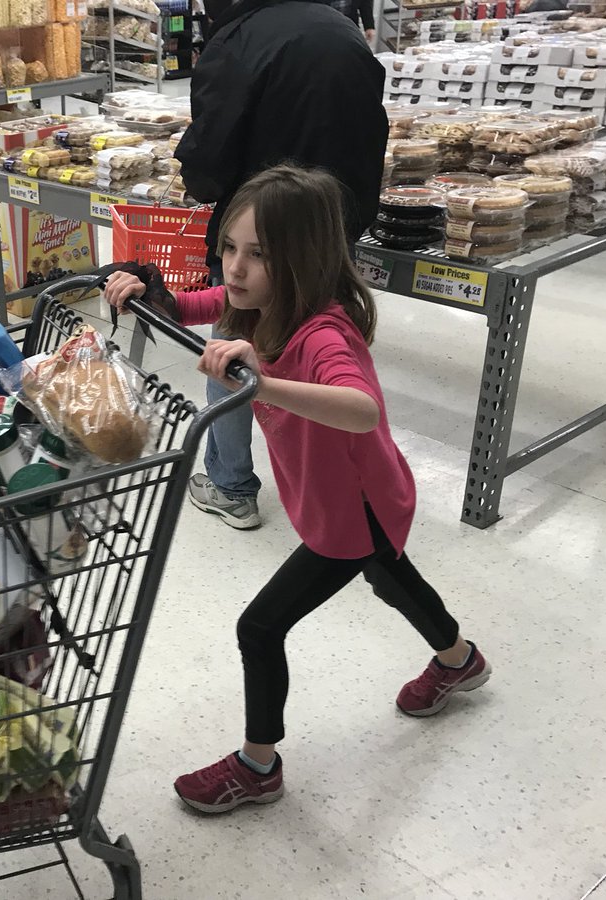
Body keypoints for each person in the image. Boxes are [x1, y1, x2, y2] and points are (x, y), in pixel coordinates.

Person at [103, 165, 491, 814]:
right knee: (391, 579)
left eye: (258, 255)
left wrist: (262, 383)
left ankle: (258, 766)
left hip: (355, 510)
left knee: (259, 626)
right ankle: (460, 659)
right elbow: (204, 305)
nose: (234, 267)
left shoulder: (323, 334)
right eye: (229, 247)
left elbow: (360, 407)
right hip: (334, 499)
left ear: (303, 259)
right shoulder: (259, 306)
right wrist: (153, 292)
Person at [175, 0, 387, 531]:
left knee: (231, 355)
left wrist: (213, 208)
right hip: (327, 230)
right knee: (307, 344)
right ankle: (336, 478)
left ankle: (231, 486)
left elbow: (208, 162)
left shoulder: (236, 40)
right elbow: (374, 134)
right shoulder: (343, 29)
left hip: (260, 223)